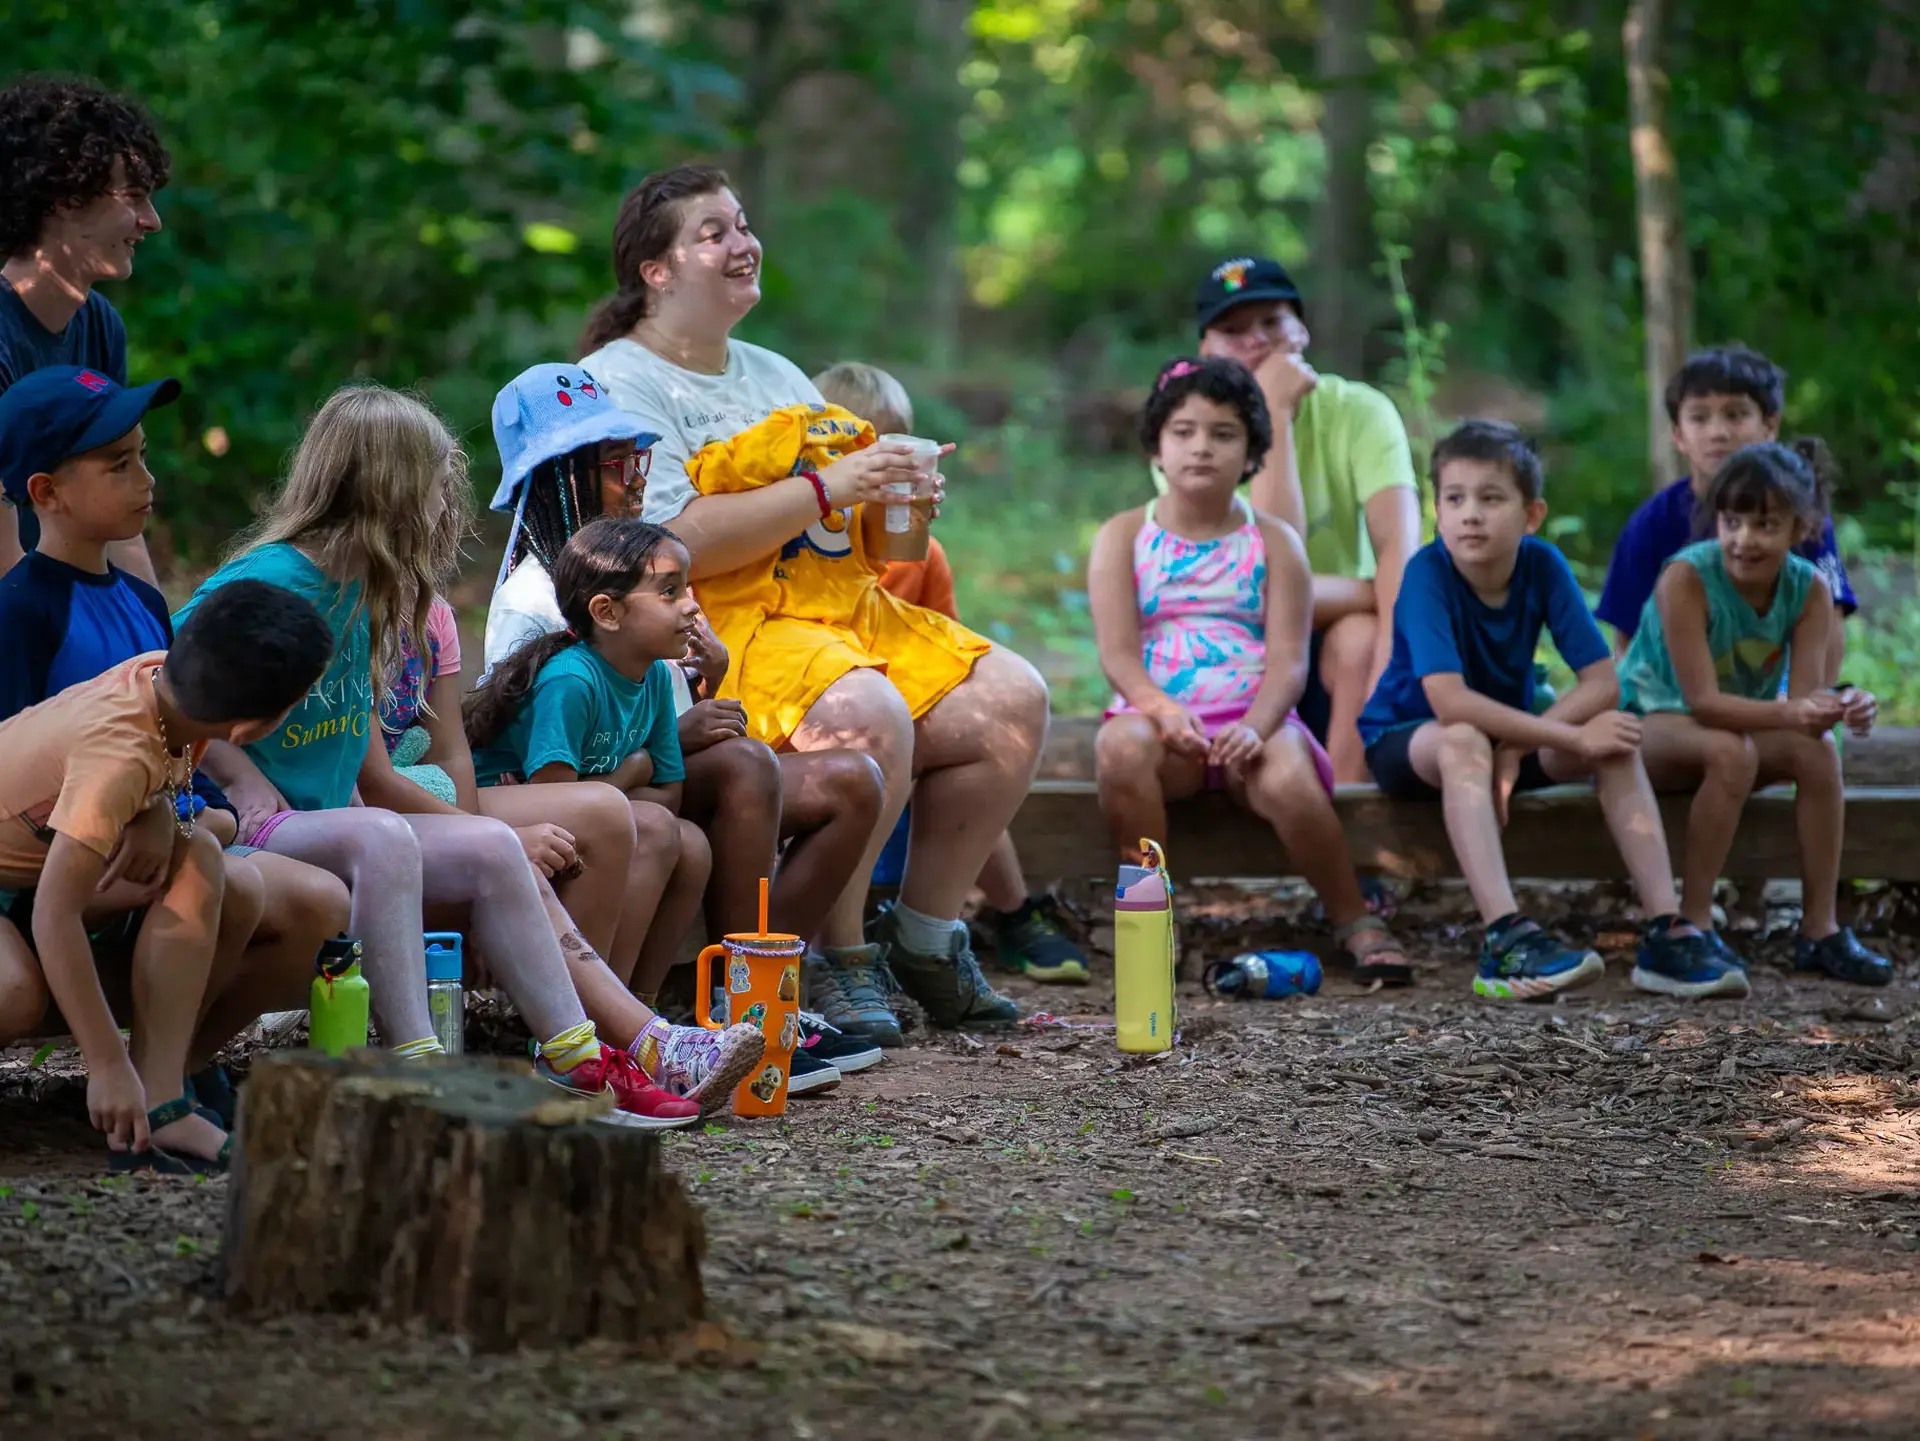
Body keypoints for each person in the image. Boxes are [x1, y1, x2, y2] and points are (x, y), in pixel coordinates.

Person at [577, 164, 1048, 1035]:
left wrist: (893, 504)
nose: (743, 242)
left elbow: (852, 540)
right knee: (869, 707)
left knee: (1013, 698)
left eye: (743, 223)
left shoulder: (776, 373)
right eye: (713, 231)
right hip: (721, 632)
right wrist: (832, 488)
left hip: (837, 616)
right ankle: (839, 959)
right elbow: (668, 543)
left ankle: (926, 937)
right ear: (657, 269)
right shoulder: (621, 381)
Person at [181, 382, 698, 1128]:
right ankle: (419, 1068)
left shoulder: (363, 590)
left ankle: (575, 1056)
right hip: (244, 821)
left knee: (490, 844)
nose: (444, 507)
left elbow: (360, 764)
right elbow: (159, 669)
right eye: (433, 487)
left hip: (323, 823)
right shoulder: (270, 578)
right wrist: (240, 776)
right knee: (382, 835)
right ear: (388, 488)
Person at [0, 366, 350, 1105]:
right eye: (118, 464)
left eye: (144, 455)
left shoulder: (141, 604)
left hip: (128, 850)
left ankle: (174, 1070)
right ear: (45, 492)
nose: (145, 478)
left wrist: (179, 813)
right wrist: (152, 819)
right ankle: (128, 1075)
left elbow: (189, 778)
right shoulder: (19, 613)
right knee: (18, 988)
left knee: (315, 907)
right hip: (41, 863)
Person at [1357, 419, 1718, 1000]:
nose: (1470, 514)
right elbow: (1448, 702)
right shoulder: (1427, 573)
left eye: (1491, 498)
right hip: (1411, 741)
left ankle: (1666, 932)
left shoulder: (1542, 564)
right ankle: (1504, 938)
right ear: (1438, 511)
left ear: (1531, 515)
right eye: (1455, 499)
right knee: (1468, 737)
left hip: (1505, 737)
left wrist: (1523, 746)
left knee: (1616, 737)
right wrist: (1569, 741)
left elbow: (1603, 682)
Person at [1091, 357, 1411, 983]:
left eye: (1223, 433)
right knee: (1118, 748)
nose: (1201, 448)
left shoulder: (1274, 541)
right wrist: (1158, 709)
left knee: (1292, 775)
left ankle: (1352, 915)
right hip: (1162, 726)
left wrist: (1259, 727)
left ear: (1254, 450)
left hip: (1254, 725)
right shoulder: (1123, 535)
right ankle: (1150, 918)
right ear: (1158, 443)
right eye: (1183, 431)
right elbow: (1119, 654)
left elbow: (1290, 659)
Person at [0, 582, 333, 1171]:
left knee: (199, 854)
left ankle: (163, 1103)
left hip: (29, 862)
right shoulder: (119, 759)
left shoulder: (159, 679)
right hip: (29, 886)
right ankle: (127, 1084)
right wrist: (104, 1065)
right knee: (14, 988)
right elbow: (57, 913)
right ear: (251, 730)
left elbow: (141, 767)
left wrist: (159, 808)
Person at [814, 359, 1091, 986]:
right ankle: (1010, 914)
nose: (882, 468)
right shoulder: (808, 549)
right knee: (902, 741)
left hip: (908, 710)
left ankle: (997, 917)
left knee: (966, 749)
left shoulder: (921, 553)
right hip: (840, 711)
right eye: (860, 451)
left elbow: (948, 652)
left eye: (894, 451)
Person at [1618, 439, 1889, 988]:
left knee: (1818, 751)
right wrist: (1796, 713)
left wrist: (1845, 705)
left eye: (1766, 524)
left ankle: (1820, 930)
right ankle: (1692, 924)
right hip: (1649, 724)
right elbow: (1702, 703)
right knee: (1730, 750)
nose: (1744, 539)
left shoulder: (1808, 588)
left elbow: (1805, 707)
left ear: (1800, 527)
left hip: (1735, 729)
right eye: (1732, 521)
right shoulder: (1687, 578)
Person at [1180, 255, 1422, 783]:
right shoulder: (1189, 432)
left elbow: (1400, 559)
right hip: (1232, 632)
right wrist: (1275, 411)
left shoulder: (1362, 410)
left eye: (1272, 322)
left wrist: (1390, 678)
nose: (1255, 341)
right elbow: (1267, 573)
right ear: (1205, 350)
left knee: (1362, 637)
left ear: (1302, 330)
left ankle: (1353, 806)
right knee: (1350, 602)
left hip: (1335, 637)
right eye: (1233, 330)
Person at [1596, 346, 1856, 686]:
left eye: (1735, 415)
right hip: (1679, 704)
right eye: (1699, 418)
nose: (1718, 432)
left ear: (1770, 425)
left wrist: (1810, 708)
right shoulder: (1651, 525)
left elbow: (1829, 626)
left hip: (1781, 694)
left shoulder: (1802, 516)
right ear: (1678, 435)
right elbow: (1627, 641)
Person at [0, 76, 169, 582]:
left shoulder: (100, 326)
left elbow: (117, 518)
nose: (152, 221)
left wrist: (161, 650)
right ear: (64, 198)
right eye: (134, 197)